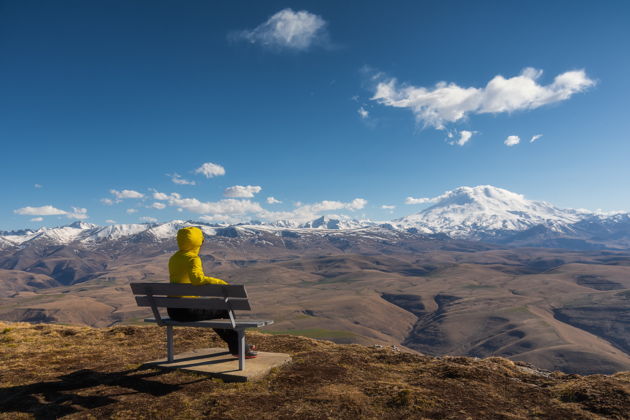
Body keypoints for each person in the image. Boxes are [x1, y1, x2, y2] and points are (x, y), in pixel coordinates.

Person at [167, 226, 257, 358]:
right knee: (223, 308)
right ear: (197, 242)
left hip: (173, 311)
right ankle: (240, 348)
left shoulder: (174, 258)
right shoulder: (193, 258)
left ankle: (237, 345)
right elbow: (197, 279)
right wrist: (219, 282)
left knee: (216, 311)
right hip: (187, 311)